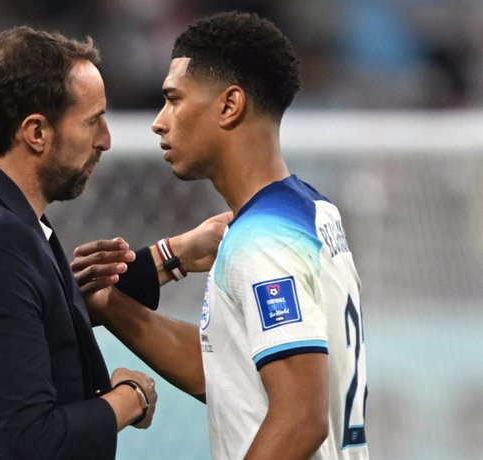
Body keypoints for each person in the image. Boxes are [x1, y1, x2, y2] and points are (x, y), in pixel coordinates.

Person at [0, 26, 228, 460]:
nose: (106, 140)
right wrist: (129, 397)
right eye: (92, 121)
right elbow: (32, 440)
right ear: (36, 133)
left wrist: (171, 257)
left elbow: (28, 315)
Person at [73, 11, 369, 460]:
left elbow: (301, 419)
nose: (159, 121)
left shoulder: (263, 243)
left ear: (230, 106)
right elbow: (222, 372)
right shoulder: (312, 210)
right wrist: (111, 305)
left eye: (174, 99)